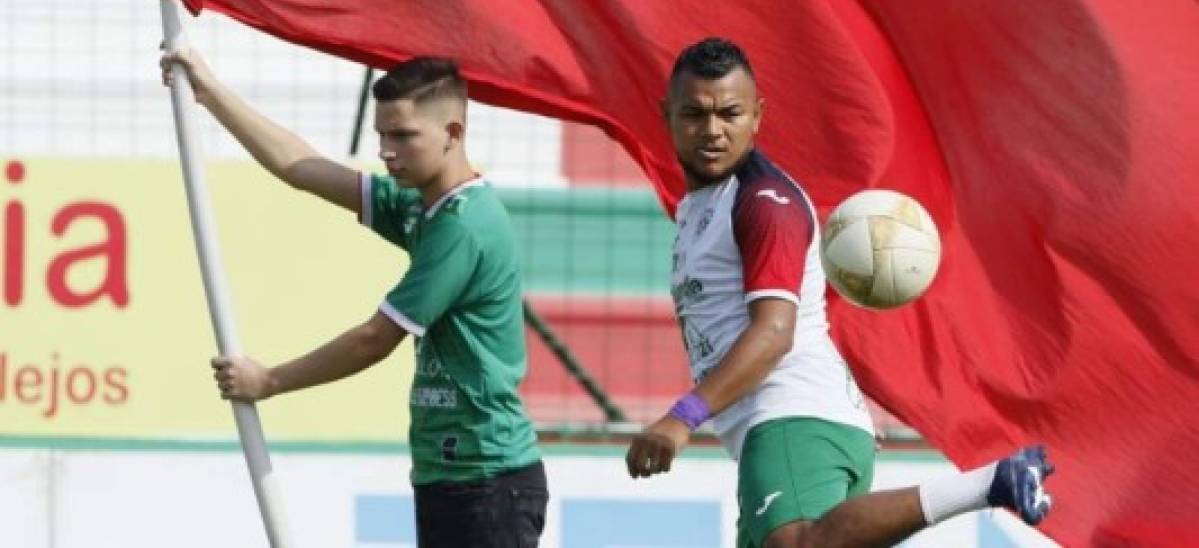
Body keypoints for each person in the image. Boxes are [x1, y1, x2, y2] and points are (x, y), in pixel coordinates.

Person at [625, 37, 1054, 548]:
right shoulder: (701, 205)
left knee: (800, 544)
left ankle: (990, 483)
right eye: (694, 114)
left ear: (757, 116)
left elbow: (774, 332)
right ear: (667, 115)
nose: (713, 130)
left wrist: (682, 418)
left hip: (791, 414)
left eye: (730, 114)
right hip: (799, 425)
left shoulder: (766, 203)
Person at [161, 48, 547, 548]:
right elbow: (299, 167)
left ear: (453, 133)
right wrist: (210, 94)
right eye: (382, 135)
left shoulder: (464, 226)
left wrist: (271, 380)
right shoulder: (421, 206)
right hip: (448, 474)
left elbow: (373, 340)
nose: (388, 151)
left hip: (489, 479)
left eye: (404, 135)